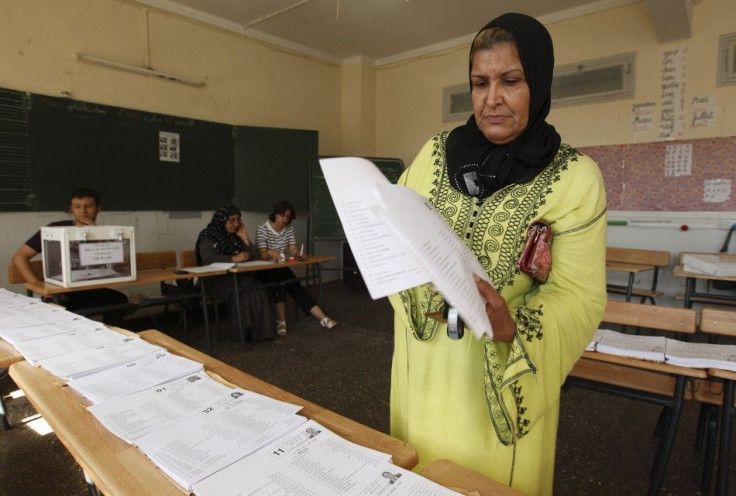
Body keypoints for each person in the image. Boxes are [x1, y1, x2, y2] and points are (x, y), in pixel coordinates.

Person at [387, 13, 607, 496]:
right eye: (479, 83)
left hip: (500, 383)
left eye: (511, 81)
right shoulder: (435, 153)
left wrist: (514, 327)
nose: (493, 99)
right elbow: (396, 230)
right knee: (417, 474)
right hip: (423, 368)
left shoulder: (575, 176)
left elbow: (580, 295)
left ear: (539, 82)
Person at [11, 188, 129, 325]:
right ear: (71, 209)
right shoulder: (54, 230)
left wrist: (98, 236)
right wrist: (38, 285)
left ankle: (111, 335)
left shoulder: (104, 232)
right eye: (77, 207)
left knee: (119, 301)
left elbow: (117, 266)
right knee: (63, 313)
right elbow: (19, 257)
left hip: (87, 288)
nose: (83, 211)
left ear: (98, 208)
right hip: (60, 292)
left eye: (88, 206)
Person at [195, 204, 275, 341]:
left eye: (238, 220)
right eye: (232, 220)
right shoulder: (207, 235)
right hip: (213, 279)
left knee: (257, 286)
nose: (236, 224)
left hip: (236, 277)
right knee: (241, 288)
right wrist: (232, 258)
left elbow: (257, 256)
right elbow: (208, 259)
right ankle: (242, 333)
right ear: (221, 220)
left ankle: (259, 332)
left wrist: (244, 237)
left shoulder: (235, 237)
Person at [255, 200, 337, 335]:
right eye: (282, 215)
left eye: (288, 217)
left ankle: (323, 318)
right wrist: (270, 252)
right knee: (280, 283)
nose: (285, 219)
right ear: (275, 214)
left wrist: (297, 253)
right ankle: (281, 320)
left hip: (281, 267)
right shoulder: (262, 229)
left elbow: (292, 248)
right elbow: (262, 254)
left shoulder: (288, 229)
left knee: (295, 286)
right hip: (265, 269)